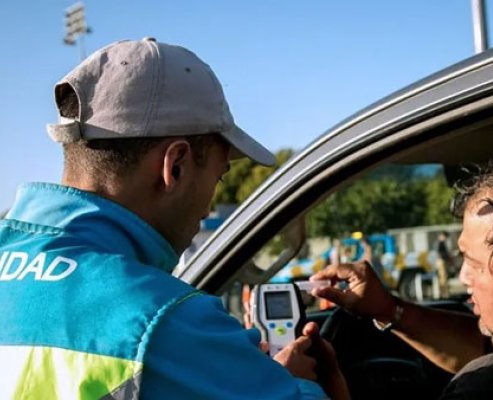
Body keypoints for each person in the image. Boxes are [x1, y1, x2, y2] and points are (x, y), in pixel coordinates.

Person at [0, 38, 349, 400]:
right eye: (220, 175)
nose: (209, 202)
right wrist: (296, 383)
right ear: (176, 166)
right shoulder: (167, 320)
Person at [311, 150, 493, 399]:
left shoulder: (484, 387)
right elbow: (484, 349)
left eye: (474, 262)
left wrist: (325, 387)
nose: (463, 276)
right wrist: (388, 309)